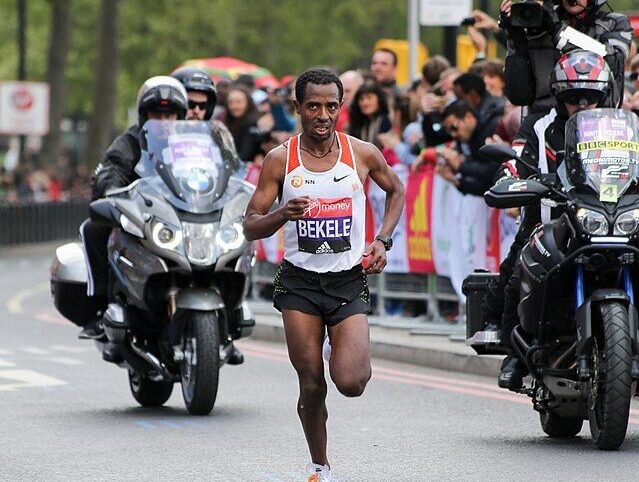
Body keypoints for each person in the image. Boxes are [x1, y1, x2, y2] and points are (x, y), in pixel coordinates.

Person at [242, 68, 405, 481]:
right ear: (297, 107)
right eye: (313, 106)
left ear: (341, 107)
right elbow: (250, 225)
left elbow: (397, 190)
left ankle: (337, 344)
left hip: (347, 280)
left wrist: (382, 240)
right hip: (299, 282)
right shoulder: (281, 160)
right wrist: (283, 213)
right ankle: (320, 466)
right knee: (312, 383)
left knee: (351, 382)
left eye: (331, 106)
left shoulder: (361, 153)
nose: (323, 115)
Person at [482, 50, 613, 389]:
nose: (582, 104)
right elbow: (517, 159)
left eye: (590, 96)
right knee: (515, 276)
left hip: (608, 218)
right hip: (550, 220)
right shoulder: (538, 126)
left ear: (603, 96)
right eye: (573, 97)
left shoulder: (617, 127)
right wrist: (509, 176)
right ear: (558, 95)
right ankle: (515, 354)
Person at [79, 76, 188, 345]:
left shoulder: (193, 144)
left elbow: (218, 174)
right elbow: (111, 169)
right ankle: (100, 307)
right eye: (156, 114)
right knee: (93, 228)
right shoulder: (129, 141)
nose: (163, 121)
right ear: (144, 115)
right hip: (143, 217)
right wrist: (111, 190)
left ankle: (230, 313)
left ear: (180, 116)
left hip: (187, 218)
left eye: (170, 115)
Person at [171, 66, 245, 365]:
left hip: (208, 213)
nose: (196, 111)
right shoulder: (159, 130)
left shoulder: (218, 132)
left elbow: (234, 170)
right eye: (190, 104)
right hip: (171, 214)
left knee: (235, 253)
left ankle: (229, 324)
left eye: (203, 105)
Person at [500, 0, 632, 112]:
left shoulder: (614, 23)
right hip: (542, 121)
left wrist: (558, 29)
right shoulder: (536, 22)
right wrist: (516, 39)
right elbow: (518, 96)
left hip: (598, 119)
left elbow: (613, 62)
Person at [437, 99, 502, 196]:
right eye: (449, 131)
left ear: (468, 117)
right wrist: (457, 181)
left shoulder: (494, 126)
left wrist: (460, 165)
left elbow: (495, 172)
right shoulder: (470, 140)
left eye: (454, 127)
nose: (453, 134)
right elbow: (487, 187)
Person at [222, 85, 261, 163]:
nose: (234, 106)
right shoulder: (227, 122)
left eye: (238, 102)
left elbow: (246, 155)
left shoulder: (252, 123)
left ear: (248, 103)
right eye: (230, 102)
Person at [348, 81, 392, 150]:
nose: (365, 103)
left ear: (379, 99)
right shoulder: (357, 124)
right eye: (361, 99)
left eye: (369, 98)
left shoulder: (387, 121)